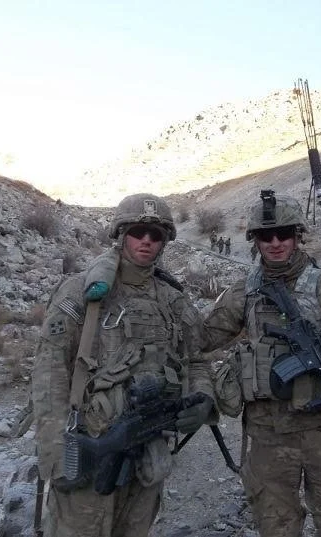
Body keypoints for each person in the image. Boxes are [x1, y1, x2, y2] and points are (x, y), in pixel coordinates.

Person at [202, 191, 321, 537]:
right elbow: (199, 341)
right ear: (255, 240)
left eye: (284, 234)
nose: (275, 243)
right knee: (275, 526)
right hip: (268, 435)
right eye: (266, 235)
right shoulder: (243, 293)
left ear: (298, 235)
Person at [32, 193, 216, 537]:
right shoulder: (80, 292)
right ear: (121, 234)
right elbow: (49, 372)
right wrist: (58, 455)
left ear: (164, 242)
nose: (146, 240)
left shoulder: (173, 300)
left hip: (148, 451)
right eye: (137, 231)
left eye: (155, 234)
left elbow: (198, 359)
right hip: (90, 447)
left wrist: (203, 399)